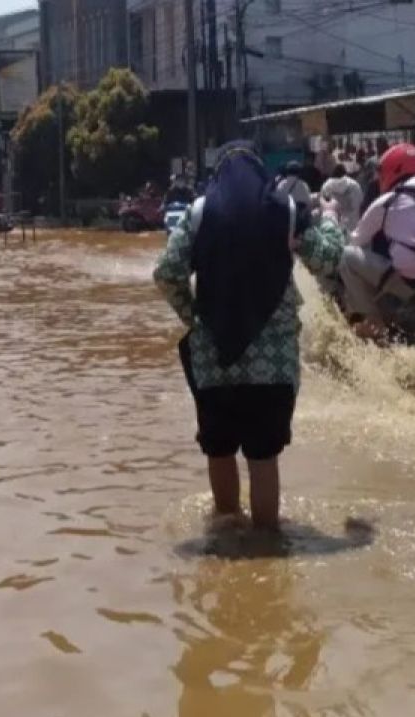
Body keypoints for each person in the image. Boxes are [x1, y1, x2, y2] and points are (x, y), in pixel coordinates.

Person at [153, 141, 307, 533]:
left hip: (214, 357)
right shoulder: (286, 211)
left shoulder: (199, 213)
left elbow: (168, 272)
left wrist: (197, 317)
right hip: (272, 364)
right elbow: (327, 256)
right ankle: (268, 546)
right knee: (263, 457)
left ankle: (227, 536)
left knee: (219, 450)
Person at [340, 143, 415, 334]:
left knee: (346, 256)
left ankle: (372, 323)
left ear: (394, 169)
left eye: (381, 172)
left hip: (411, 282)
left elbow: (356, 240)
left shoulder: (389, 201)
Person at [319, 164, 365, 233]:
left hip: (331, 226)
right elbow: (361, 204)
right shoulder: (355, 186)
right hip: (351, 226)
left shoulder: (326, 186)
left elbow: (321, 204)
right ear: (345, 174)